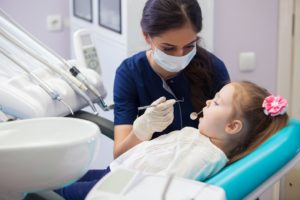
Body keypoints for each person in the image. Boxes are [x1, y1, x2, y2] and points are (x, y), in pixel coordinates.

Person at [55, 81, 289, 200]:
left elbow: (164, 187)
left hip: (119, 190)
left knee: (49, 188)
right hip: (115, 173)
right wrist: (144, 128)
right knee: (55, 175)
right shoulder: (199, 136)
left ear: (232, 126)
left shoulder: (205, 156)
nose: (208, 102)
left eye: (216, 102)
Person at [113, 0, 230, 158]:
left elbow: (231, 137)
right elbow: (119, 156)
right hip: (150, 170)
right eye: (168, 48)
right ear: (147, 36)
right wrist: (142, 130)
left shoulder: (213, 68)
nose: (180, 55)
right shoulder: (129, 73)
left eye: (189, 46)